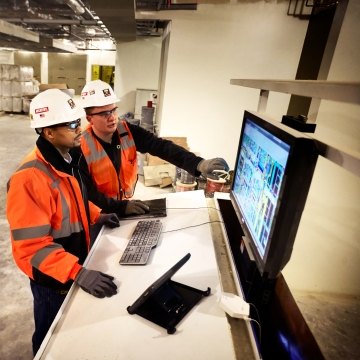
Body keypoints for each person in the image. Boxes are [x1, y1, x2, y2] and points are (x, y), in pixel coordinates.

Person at [6, 89, 120, 356]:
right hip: (52, 282)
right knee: (51, 341)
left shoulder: (66, 159)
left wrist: (95, 214)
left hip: (71, 267)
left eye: (78, 121)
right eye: (71, 125)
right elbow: (31, 247)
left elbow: (71, 203)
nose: (79, 129)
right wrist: (76, 272)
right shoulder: (29, 178)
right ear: (48, 132)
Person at [78, 79, 229, 209]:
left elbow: (162, 147)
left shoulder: (126, 131)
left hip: (123, 208)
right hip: (97, 217)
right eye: (104, 114)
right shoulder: (80, 148)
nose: (112, 118)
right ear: (89, 118)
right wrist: (120, 208)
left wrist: (198, 164)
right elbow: (88, 193)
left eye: (113, 111)